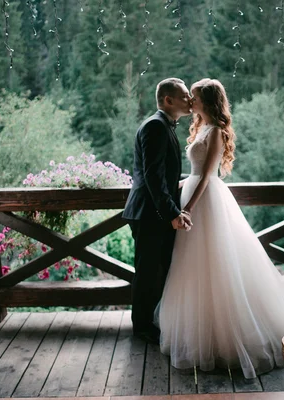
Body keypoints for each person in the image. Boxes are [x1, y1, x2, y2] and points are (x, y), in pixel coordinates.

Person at [156, 78, 284, 379]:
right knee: (192, 266)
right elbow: (193, 174)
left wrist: (187, 208)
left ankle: (226, 339)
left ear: (207, 100)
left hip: (206, 201)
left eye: (196, 96)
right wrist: (178, 187)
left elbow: (206, 175)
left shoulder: (215, 131)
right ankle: (199, 333)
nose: (191, 100)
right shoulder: (201, 127)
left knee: (217, 263)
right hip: (190, 191)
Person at [122, 78, 193, 344]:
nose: (190, 100)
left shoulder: (163, 126)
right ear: (167, 100)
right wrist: (173, 212)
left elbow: (162, 174)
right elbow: (153, 177)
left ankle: (152, 322)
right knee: (148, 272)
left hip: (153, 212)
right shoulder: (155, 126)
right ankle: (142, 328)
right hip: (149, 214)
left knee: (157, 270)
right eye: (185, 96)